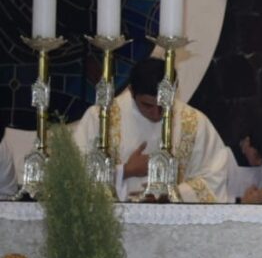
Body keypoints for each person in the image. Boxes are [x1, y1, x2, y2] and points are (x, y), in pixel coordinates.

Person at [71, 57, 231, 202]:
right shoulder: (100, 118)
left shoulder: (195, 122)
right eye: (147, 105)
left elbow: (214, 176)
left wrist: (172, 194)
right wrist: (126, 171)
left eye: (163, 106)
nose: (156, 114)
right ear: (132, 91)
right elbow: (75, 175)